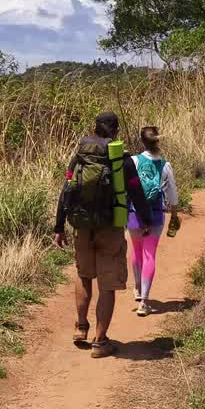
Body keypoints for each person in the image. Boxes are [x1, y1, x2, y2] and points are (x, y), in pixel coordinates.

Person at [52, 111, 154, 359]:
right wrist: (146, 220)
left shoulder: (79, 156)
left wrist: (58, 226)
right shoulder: (123, 160)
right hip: (110, 228)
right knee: (107, 286)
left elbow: (66, 190)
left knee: (84, 275)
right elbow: (136, 192)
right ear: (116, 131)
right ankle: (100, 342)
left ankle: (80, 327)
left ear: (94, 128)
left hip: (82, 225)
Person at [128, 126, 179, 316]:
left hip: (134, 213)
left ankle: (137, 288)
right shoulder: (165, 165)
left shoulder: (133, 160)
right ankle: (144, 302)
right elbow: (172, 193)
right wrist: (174, 212)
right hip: (155, 214)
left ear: (141, 141)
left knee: (136, 250)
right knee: (150, 254)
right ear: (157, 142)